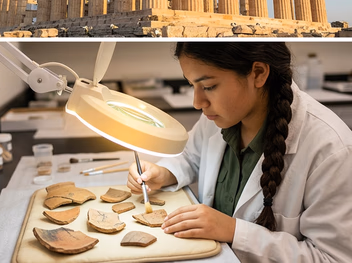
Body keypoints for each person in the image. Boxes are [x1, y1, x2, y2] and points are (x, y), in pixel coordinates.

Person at [127, 43, 352, 262]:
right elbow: (191, 157)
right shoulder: (220, 115)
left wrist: (234, 231)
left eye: (208, 86)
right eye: (192, 85)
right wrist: (164, 172)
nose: (197, 102)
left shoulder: (331, 149)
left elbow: (332, 257)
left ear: (258, 73)